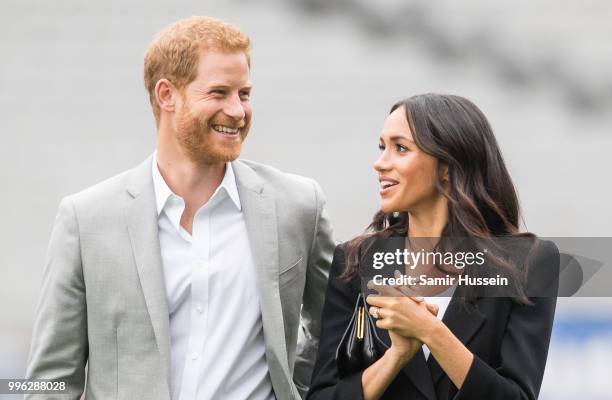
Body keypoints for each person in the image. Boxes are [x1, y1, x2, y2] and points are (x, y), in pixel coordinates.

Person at [25, 16, 335, 400]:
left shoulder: (299, 205)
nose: (238, 111)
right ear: (166, 95)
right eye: (219, 93)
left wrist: (295, 387)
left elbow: (332, 330)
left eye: (245, 94)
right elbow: (49, 379)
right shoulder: (84, 219)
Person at [307, 94, 559, 400]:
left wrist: (431, 331)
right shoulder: (354, 261)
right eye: (382, 147)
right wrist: (396, 357)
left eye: (400, 148)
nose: (380, 163)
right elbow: (322, 395)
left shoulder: (529, 264)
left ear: (447, 167)